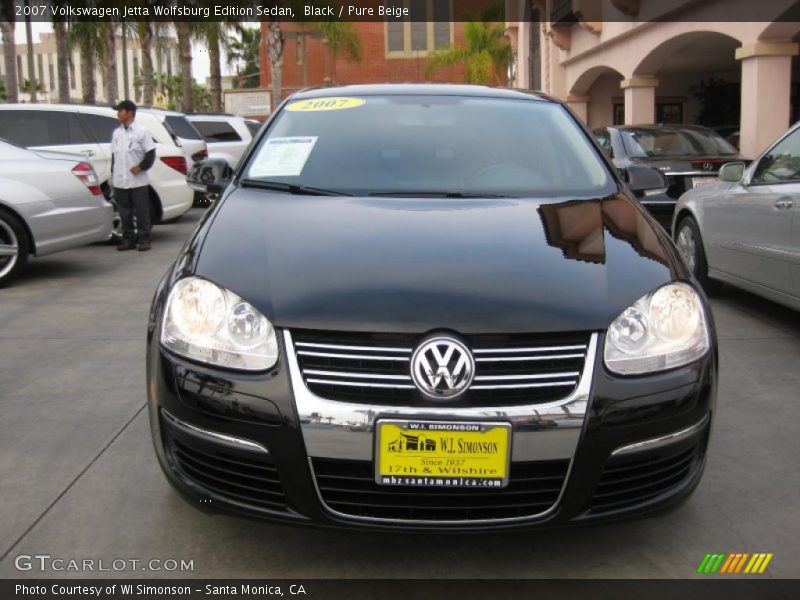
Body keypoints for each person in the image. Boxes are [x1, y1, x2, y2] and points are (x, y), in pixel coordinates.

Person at [111, 100, 156, 251]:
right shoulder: (117, 133)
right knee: (125, 213)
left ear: (129, 113)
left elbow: (150, 154)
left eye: (120, 111)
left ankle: (144, 239)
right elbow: (114, 156)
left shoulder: (142, 131)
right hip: (120, 181)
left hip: (137, 181)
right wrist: (113, 173)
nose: (118, 114)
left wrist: (141, 167)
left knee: (142, 211)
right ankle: (128, 239)